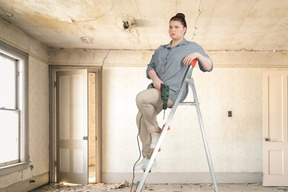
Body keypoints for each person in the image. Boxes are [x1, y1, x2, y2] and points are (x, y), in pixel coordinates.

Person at [135, 13, 213, 171]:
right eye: (170, 27)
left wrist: (197, 55)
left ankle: (155, 130)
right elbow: (150, 67)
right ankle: (148, 158)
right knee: (140, 117)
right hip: (157, 89)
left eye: (176, 27)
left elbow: (209, 66)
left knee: (141, 98)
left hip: (171, 92)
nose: (173, 30)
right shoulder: (161, 49)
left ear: (184, 29)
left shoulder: (191, 47)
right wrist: (155, 78)